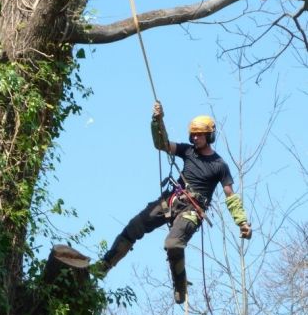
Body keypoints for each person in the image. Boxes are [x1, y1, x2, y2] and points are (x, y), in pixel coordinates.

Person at [97, 101, 252, 304]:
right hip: (172, 200)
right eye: (193, 134)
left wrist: (242, 222)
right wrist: (157, 120)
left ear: (209, 136)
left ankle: (180, 284)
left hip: (192, 210)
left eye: (199, 134)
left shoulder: (219, 165)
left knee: (173, 243)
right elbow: (162, 144)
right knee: (134, 226)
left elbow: (230, 195)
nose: (195, 138)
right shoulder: (187, 151)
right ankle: (105, 265)